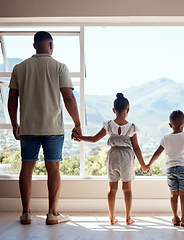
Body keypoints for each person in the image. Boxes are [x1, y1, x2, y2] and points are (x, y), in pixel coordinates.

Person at [8, 31, 82, 225]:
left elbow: (12, 98)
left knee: (26, 168)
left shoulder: (20, 67)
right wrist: (77, 124)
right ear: (52, 45)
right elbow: (68, 98)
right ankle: (52, 214)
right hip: (53, 128)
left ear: (34, 46)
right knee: (54, 169)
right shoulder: (59, 67)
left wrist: (14, 123)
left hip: (28, 127)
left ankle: (25, 213)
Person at [72, 93, 149, 225]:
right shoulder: (132, 127)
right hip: (127, 157)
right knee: (127, 189)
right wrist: (143, 165)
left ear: (113, 110)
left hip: (113, 156)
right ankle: (128, 218)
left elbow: (94, 139)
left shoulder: (108, 125)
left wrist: (80, 137)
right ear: (128, 110)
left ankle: (112, 218)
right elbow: (136, 148)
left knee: (112, 188)